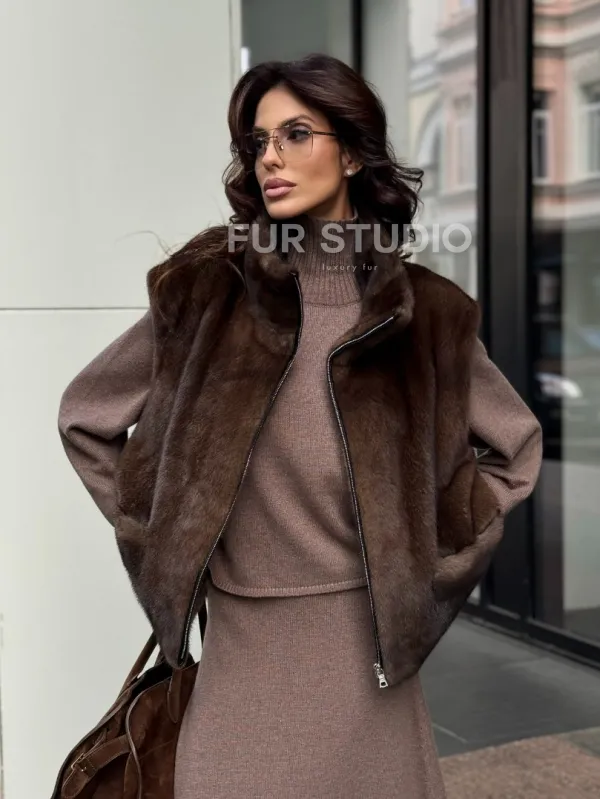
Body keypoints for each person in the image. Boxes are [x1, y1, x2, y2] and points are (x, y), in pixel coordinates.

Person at [57, 53, 543, 798]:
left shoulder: (423, 315)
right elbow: (86, 419)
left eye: (295, 134)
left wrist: (431, 549)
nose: (270, 158)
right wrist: (168, 531)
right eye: (258, 142)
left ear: (351, 154)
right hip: (241, 660)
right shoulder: (209, 293)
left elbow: (516, 448)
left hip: (371, 672)